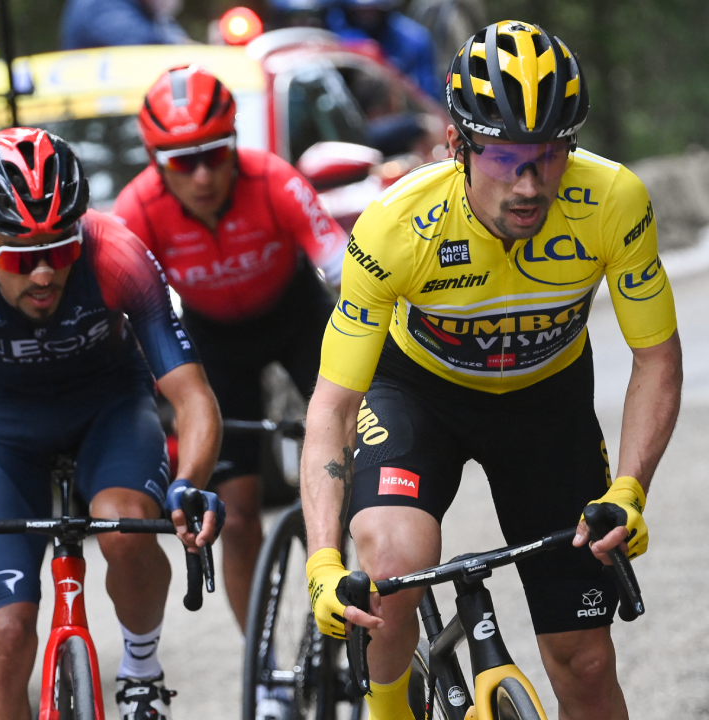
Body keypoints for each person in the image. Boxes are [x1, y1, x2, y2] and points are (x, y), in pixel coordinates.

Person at [301, 21, 679, 720]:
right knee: (391, 565)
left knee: (587, 663)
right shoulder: (394, 229)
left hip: (545, 406)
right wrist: (324, 563)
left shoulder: (613, 202)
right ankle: (386, 708)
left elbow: (656, 357)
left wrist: (630, 488)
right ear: (456, 145)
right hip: (419, 396)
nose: (530, 183)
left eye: (550, 154)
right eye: (506, 158)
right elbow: (330, 407)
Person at [0, 127, 224, 720]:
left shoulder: (117, 251)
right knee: (5, 636)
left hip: (104, 406)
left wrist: (190, 481)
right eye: (22, 258)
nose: (44, 275)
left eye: (60, 249)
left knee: (124, 525)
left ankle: (140, 674)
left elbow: (193, 396)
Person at [113, 64, 347, 661]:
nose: (201, 176)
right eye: (180, 162)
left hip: (298, 316)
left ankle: (365, 591)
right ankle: (263, 667)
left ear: (234, 145)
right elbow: (115, 309)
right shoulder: (137, 208)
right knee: (238, 515)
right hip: (215, 339)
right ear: (154, 161)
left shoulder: (273, 179)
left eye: (213, 156)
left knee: (360, 464)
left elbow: (344, 266)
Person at [324, 0, 439, 100]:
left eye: (372, 10)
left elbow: (427, 95)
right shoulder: (335, 35)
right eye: (360, 10)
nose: (366, 14)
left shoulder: (414, 40)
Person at [60, 0, 190, 50]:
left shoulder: (146, 10)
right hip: (94, 103)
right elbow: (147, 43)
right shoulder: (99, 4)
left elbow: (174, 38)